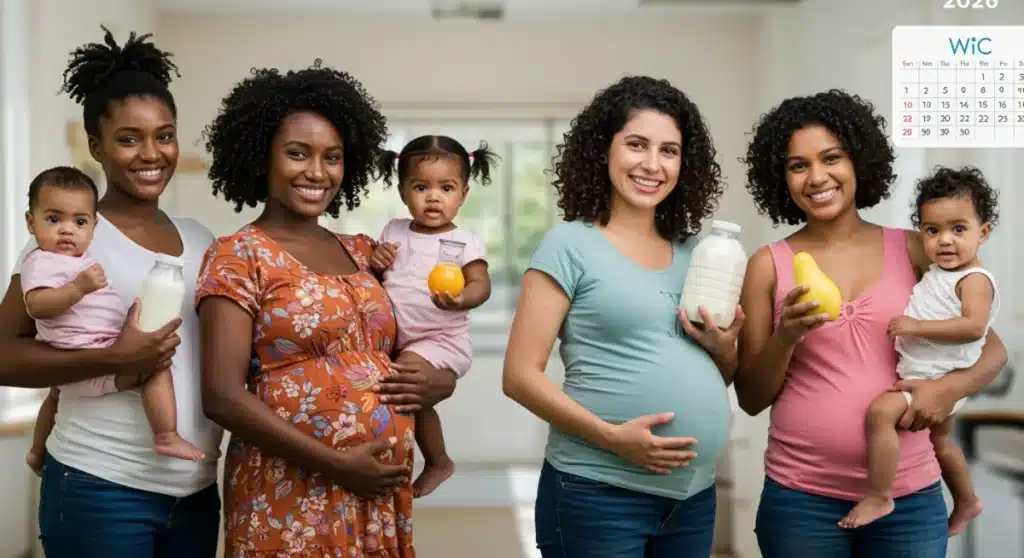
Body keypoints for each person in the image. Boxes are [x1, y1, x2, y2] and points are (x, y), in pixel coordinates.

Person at [197, 59, 458, 557]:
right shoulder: (238, 255)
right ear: (261, 158)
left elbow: (416, 341)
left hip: (376, 490)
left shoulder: (364, 251)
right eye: (298, 153)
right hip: (288, 490)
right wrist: (335, 462)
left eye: (332, 157)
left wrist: (440, 382)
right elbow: (221, 395)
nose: (317, 172)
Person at [735, 89, 1008, 558]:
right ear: (781, 177)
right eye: (798, 165)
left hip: (910, 498)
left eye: (831, 158)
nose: (817, 176)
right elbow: (751, 398)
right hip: (801, 498)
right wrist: (788, 336)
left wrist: (950, 389)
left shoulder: (917, 248)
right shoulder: (767, 265)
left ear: (859, 160)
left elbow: (992, 348)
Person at [0, 26, 223, 557]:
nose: (152, 153)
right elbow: (3, 355)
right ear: (96, 146)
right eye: (129, 139)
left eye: (164, 135)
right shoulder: (69, 241)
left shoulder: (202, 240)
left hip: (195, 492)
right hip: (98, 485)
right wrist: (115, 356)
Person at [502, 75, 743, 558]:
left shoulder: (697, 254)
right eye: (637, 144)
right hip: (596, 491)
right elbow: (518, 376)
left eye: (669, 151)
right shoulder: (569, 245)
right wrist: (614, 439)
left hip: (692, 497)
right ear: (603, 151)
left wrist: (724, 349)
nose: (652, 164)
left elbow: (720, 373)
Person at [839, 165, 998, 530]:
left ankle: (879, 496)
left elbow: (975, 327)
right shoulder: (942, 273)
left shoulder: (974, 279)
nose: (945, 240)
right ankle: (967, 500)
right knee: (941, 443)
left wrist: (916, 326)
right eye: (932, 230)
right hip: (925, 371)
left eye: (959, 229)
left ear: (983, 232)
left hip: (936, 377)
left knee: (880, 415)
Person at [24, 166, 205, 475]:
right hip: (87, 358)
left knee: (56, 397)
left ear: (94, 225)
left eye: (79, 222)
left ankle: (37, 449)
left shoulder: (79, 259)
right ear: (31, 222)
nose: (67, 230)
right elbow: (37, 305)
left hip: (83, 356)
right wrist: (78, 288)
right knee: (154, 368)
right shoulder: (42, 260)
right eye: (54, 220)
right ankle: (166, 435)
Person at [370, 135, 496, 497]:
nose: (433, 197)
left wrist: (460, 300)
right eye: (421, 186)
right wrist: (376, 259)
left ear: (463, 194)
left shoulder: (465, 241)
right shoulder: (393, 231)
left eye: (447, 187)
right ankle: (423, 459)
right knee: (407, 395)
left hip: (441, 340)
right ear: (402, 191)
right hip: (398, 339)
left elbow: (480, 284)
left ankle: (437, 460)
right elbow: (380, 276)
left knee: (405, 381)